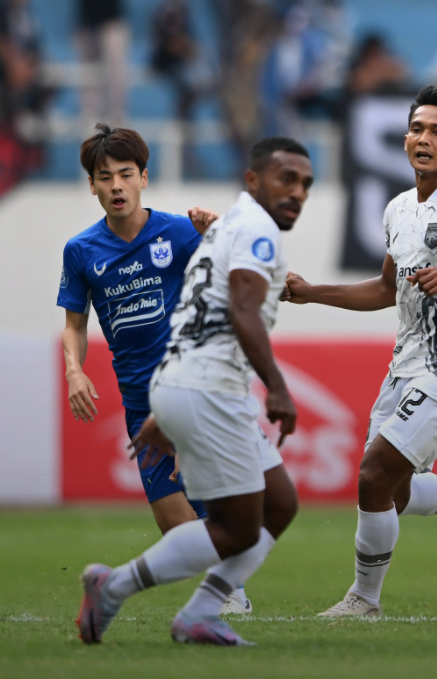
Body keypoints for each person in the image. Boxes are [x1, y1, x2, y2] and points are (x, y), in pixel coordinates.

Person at [284, 86, 437, 617]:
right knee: (394, 493)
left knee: (371, 476)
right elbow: (387, 290)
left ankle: (364, 599)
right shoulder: (397, 209)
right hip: (403, 366)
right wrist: (312, 291)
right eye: (417, 128)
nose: (423, 138)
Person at [75, 136, 312, 646]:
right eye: (285, 180)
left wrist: (170, 399)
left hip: (189, 386)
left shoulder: (211, 235)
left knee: (280, 504)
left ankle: (202, 609)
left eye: (305, 184)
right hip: (209, 391)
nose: (297, 193)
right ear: (253, 181)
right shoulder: (253, 233)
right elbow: (243, 313)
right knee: (237, 527)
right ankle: (114, 587)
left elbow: (189, 317)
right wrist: (277, 388)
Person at [57, 123, 251, 614]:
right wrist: (75, 371)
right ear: (92, 184)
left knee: (212, 498)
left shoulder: (180, 232)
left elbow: (236, 279)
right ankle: (226, 583)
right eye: (105, 177)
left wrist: (216, 235)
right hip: (138, 401)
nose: (116, 186)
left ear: (144, 177)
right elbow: (75, 325)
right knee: (171, 517)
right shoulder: (81, 251)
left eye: (126, 174)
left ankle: (228, 593)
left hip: (191, 387)